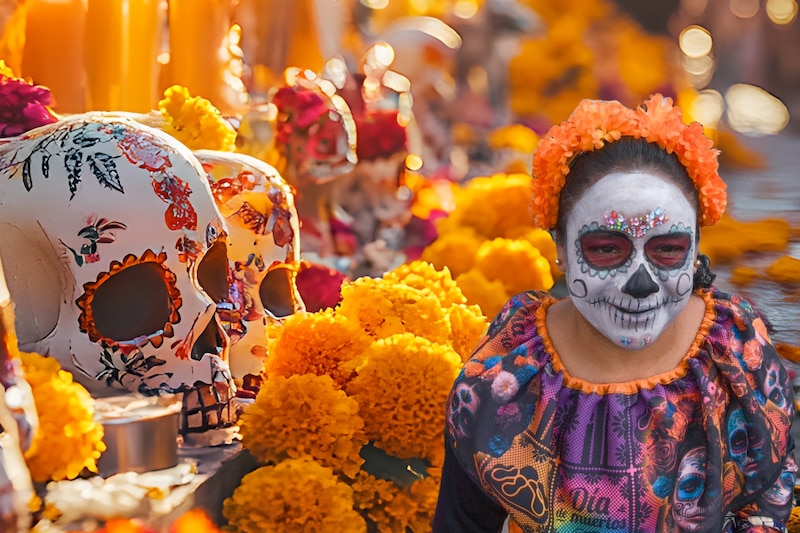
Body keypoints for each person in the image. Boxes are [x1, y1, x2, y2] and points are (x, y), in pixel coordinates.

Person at [433, 94, 797, 532]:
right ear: (560, 251)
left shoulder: (734, 354)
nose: (639, 283)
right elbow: (463, 522)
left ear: (696, 249)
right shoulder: (510, 371)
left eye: (667, 250)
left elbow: (767, 501)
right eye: (606, 249)